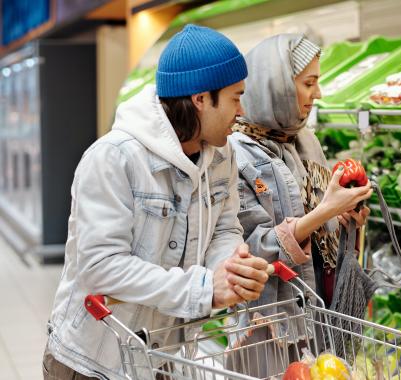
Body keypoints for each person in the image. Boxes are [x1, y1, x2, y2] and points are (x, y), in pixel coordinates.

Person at [42, 25, 270, 380]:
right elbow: (102, 266)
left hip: (162, 356)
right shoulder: (113, 158)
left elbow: (224, 227)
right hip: (94, 362)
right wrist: (205, 289)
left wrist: (232, 266)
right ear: (200, 99)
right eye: (235, 97)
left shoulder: (222, 157)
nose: (241, 111)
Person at [225, 34, 372, 376]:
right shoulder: (235, 154)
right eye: (308, 83)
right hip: (272, 324)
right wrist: (326, 211)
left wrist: (347, 216)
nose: (317, 94)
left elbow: (325, 228)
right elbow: (252, 248)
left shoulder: (303, 140)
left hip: (320, 308)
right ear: (275, 86)